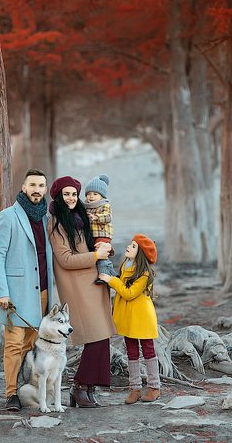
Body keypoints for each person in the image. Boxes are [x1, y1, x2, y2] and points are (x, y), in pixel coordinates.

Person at [47, 175, 115, 408]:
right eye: (66, 194)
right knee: (94, 337)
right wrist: (96, 256)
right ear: (58, 195)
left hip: (94, 283)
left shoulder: (82, 218)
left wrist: (105, 249)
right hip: (77, 286)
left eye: (74, 194)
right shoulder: (56, 223)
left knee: (101, 337)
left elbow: (96, 240)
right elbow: (65, 259)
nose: (71, 198)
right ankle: (78, 386)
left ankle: (89, 388)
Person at [0, 169, 54, 412]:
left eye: (41, 185)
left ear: (45, 190)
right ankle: (10, 394)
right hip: (16, 293)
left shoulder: (47, 219)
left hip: (44, 292)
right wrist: (1, 292)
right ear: (24, 187)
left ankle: (30, 390)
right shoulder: (8, 216)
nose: (37, 189)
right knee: (14, 344)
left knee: (32, 344)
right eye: (33, 185)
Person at [98, 233, 161, 404]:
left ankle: (154, 387)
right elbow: (122, 286)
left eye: (133, 246)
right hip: (128, 317)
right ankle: (135, 389)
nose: (128, 247)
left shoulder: (145, 274)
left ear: (140, 253)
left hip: (142, 318)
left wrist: (111, 280)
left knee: (148, 350)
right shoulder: (126, 264)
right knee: (131, 351)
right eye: (130, 244)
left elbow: (129, 293)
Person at [84, 173, 116, 285]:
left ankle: (104, 276)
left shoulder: (104, 205)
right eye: (88, 194)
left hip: (103, 234)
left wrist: (96, 217)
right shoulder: (86, 206)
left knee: (101, 254)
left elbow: (108, 217)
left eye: (95, 194)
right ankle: (112, 273)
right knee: (94, 255)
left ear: (101, 196)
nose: (91, 196)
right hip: (92, 235)